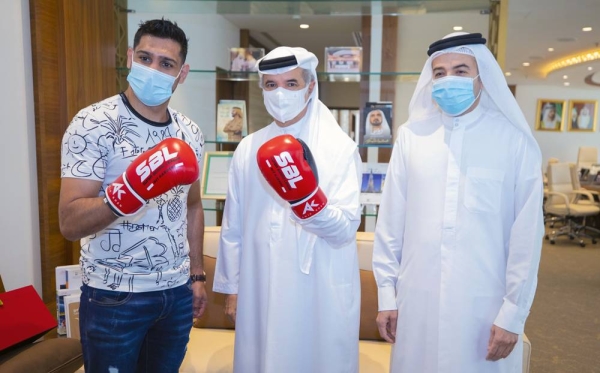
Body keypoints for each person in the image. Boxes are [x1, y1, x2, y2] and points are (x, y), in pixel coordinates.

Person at [372, 32, 544, 373]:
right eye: (439, 72)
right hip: (416, 300)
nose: (449, 79)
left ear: (481, 78)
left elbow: (527, 236)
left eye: (461, 70)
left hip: (483, 305)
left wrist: (513, 313)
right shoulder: (411, 137)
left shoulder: (513, 141)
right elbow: (390, 224)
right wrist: (386, 297)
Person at [58, 19, 207, 373]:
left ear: (181, 73)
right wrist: (128, 192)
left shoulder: (190, 132)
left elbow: (193, 204)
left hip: (175, 294)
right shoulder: (92, 122)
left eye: (165, 64)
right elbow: (69, 222)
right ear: (129, 57)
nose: (153, 69)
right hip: (114, 297)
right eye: (145, 58)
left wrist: (196, 275)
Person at [213, 47, 363, 373]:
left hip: (318, 289)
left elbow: (345, 230)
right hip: (259, 286)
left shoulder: (339, 149)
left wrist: (306, 200)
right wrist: (232, 290)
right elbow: (233, 227)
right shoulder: (247, 147)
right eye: (271, 85)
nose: (280, 93)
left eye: (291, 84)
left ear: (310, 87)